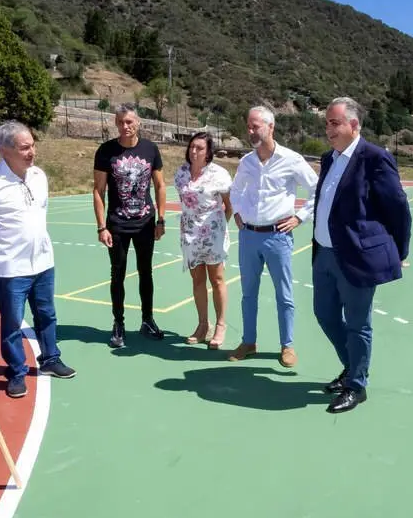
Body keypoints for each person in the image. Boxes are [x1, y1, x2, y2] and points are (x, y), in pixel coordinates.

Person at [0, 121, 76, 399]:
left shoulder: (39, 176)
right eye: (24, 148)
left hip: (43, 263)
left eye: (32, 145)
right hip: (11, 269)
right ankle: (16, 373)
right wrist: (1, 247)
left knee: (47, 314)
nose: (31, 152)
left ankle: (50, 360)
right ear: (4, 150)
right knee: (12, 323)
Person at [311, 97, 412, 414]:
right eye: (327, 123)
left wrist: (398, 251)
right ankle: (352, 366)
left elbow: (397, 209)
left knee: (357, 324)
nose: (329, 129)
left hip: (356, 256)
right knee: (325, 315)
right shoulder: (329, 159)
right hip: (324, 254)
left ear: (354, 125)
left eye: (335, 123)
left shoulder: (375, 158)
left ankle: (357, 385)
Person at [227, 105, 318, 367]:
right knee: (248, 294)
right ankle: (249, 342)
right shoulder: (246, 162)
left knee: (284, 294)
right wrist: (238, 214)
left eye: (255, 126)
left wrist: (299, 218)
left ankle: (287, 346)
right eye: (248, 126)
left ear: (271, 127)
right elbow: (236, 192)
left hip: (278, 236)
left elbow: (316, 189)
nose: (250, 130)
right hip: (249, 236)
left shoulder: (292, 160)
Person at [92, 103, 167, 348]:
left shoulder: (150, 149)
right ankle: (119, 323)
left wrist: (161, 219)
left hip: (145, 222)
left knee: (146, 273)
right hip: (117, 225)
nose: (125, 126)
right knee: (118, 274)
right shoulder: (106, 151)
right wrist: (102, 227)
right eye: (121, 122)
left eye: (129, 122)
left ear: (138, 123)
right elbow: (98, 190)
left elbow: (160, 186)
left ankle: (147, 320)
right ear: (115, 123)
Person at [174, 131, 233, 349]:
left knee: (216, 279)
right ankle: (202, 325)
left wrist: (220, 226)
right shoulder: (181, 174)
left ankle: (220, 325)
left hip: (213, 233)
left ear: (208, 152)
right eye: (192, 147)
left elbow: (229, 203)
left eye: (200, 148)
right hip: (189, 233)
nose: (194, 151)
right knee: (197, 281)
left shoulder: (219, 174)